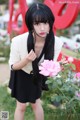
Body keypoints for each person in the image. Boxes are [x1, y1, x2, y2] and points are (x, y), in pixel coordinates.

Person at [8, 2, 63, 120]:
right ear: (30, 25)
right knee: (21, 106)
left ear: (50, 22)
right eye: (37, 23)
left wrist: (57, 68)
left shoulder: (57, 43)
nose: (42, 28)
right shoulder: (18, 41)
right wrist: (26, 60)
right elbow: (13, 66)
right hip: (22, 72)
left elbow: (51, 66)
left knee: (36, 103)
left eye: (46, 22)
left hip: (39, 74)